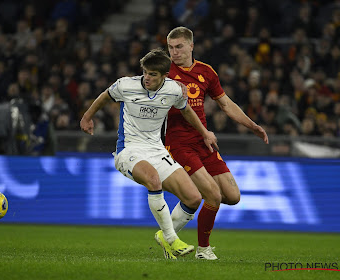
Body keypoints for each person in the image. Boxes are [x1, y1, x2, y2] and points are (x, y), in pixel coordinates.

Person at [80, 48, 219, 259]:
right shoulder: (126, 85)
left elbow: (186, 110)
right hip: (129, 149)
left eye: (153, 74)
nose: (147, 78)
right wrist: (87, 117)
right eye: (145, 72)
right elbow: (105, 97)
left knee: (193, 198)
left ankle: (164, 236)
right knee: (153, 180)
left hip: (156, 149)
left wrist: (204, 133)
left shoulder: (173, 90)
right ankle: (172, 240)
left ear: (165, 76)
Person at [164, 26, 269, 260]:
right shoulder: (163, 72)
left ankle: (169, 231)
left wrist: (252, 126)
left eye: (179, 46)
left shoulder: (206, 72)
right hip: (178, 143)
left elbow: (226, 104)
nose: (174, 52)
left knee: (232, 196)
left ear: (191, 46)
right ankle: (202, 249)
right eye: (170, 48)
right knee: (212, 195)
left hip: (204, 142)